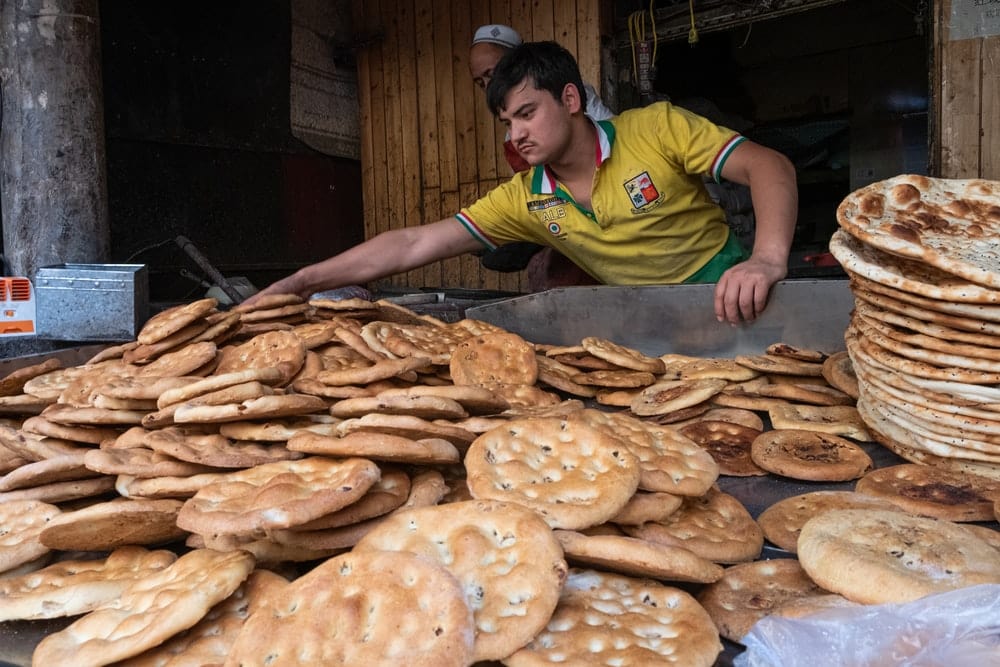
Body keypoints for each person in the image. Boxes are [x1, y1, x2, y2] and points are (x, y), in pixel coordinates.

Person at [249, 41, 797, 325]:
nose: (517, 134)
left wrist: (767, 260)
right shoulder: (529, 196)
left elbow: (769, 167)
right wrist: (304, 280)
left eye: (528, 113)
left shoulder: (656, 129)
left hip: (732, 300)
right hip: (640, 324)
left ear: (571, 99)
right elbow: (416, 242)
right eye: (508, 122)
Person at [470, 24, 609, 287]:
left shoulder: (577, 104)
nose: (489, 86)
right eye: (481, 82)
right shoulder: (512, 137)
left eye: (493, 73)